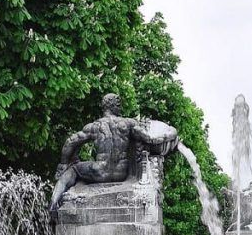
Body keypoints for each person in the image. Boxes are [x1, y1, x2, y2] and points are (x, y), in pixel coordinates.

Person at [49, 93, 178, 217]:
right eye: (119, 104)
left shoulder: (94, 127)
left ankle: (53, 204)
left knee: (73, 170)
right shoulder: (128, 124)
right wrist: (170, 133)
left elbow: (70, 143)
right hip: (120, 174)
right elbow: (149, 139)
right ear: (113, 106)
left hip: (99, 172)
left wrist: (64, 164)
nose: (120, 107)